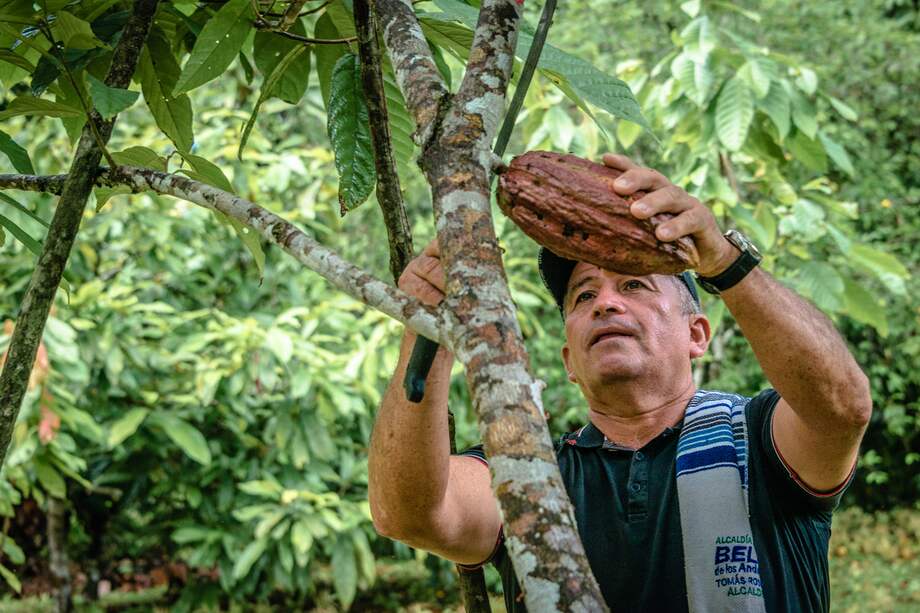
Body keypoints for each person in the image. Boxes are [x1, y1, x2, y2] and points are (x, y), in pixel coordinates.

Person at [367, 154, 871, 612]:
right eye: (584, 296)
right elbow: (407, 514)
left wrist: (723, 259)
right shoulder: (532, 471)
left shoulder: (758, 439)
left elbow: (842, 407)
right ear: (569, 360)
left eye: (633, 284)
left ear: (696, 334)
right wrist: (427, 331)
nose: (606, 304)